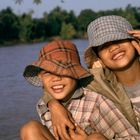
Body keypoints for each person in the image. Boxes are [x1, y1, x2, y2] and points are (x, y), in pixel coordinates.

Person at [39, 15, 140, 140]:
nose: (113, 47)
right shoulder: (95, 83)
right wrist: (53, 104)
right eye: (103, 46)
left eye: (119, 39)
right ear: (98, 57)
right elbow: (61, 83)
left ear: (135, 41)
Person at [20, 40, 108, 140]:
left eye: (63, 71)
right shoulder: (42, 104)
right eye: (48, 73)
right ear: (40, 76)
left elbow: (127, 135)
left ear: (76, 73)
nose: (56, 78)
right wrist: (52, 103)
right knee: (30, 129)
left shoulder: (97, 101)